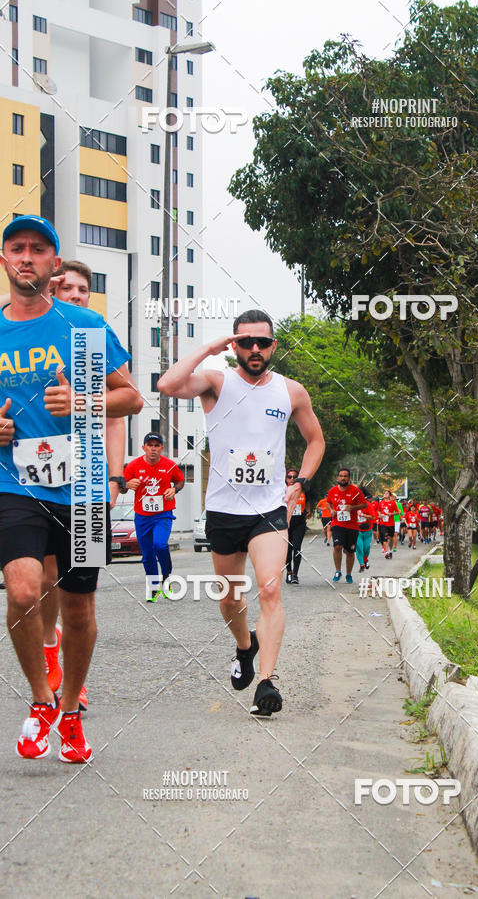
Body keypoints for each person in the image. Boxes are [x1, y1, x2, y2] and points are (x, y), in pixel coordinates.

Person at [0, 215, 142, 762]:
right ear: (7, 260)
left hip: (81, 489)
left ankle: (71, 710)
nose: (28, 257)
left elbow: (130, 399)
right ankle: (41, 699)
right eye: (18, 248)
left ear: (54, 265)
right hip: (15, 483)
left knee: (79, 610)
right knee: (22, 591)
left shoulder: (82, 327)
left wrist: (84, 403)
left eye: (39, 249)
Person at [158, 309, 325, 716]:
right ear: (234, 345)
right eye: (245, 341)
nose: (254, 349)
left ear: (273, 347)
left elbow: (315, 440)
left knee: (269, 589)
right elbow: (167, 384)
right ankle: (245, 646)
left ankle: (267, 683)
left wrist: (300, 482)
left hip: (268, 509)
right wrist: (212, 348)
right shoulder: (216, 382)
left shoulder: (291, 391)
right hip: (222, 510)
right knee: (231, 597)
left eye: (262, 342)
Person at [123, 434, 185, 601]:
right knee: (148, 555)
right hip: (142, 516)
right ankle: (153, 587)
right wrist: (127, 485)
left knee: (160, 544)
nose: (153, 448)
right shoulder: (134, 465)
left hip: (163, 514)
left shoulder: (169, 465)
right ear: (143, 447)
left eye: (157, 445)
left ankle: (166, 577)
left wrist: (174, 490)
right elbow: (121, 485)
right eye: (150, 445)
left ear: (161, 448)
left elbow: (180, 481)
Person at [326, 468, 367, 583]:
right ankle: (338, 571)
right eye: (341, 476)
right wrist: (331, 510)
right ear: (338, 478)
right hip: (337, 523)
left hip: (352, 526)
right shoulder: (333, 491)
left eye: (345, 476)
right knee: (337, 546)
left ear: (349, 478)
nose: (343, 478)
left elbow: (364, 504)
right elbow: (328, 502)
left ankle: (348, 574)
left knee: (350, 552)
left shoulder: (355, 491)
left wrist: (352, 508)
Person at [285, 468, 310, 584]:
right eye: (289, 477)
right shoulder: (282, 491)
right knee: (287, 549)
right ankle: (289, 573)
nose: (292, 479)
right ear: (285, 479)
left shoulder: (302, 490)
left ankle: (295, 574)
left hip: (299, 523)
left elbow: (308, 502)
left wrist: (308, 510)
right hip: (286, 524)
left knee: (297, 547)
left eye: (295, 477)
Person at [357, 492, 378, 573]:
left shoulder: (367, 504)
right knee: (359, 547)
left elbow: (373, 517)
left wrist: (363, 515)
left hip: (367, 529)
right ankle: (361, 565)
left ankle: (365, 560)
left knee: (366, 548)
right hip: (357, 530)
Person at [378, 489, 400, 559]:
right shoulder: (381, 502)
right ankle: (387, 552)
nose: (385, 494)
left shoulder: (393, 503)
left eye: (387, 493)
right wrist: (380, 514)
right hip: (383, 523)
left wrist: (391, 514)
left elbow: (398, 512)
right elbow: (378, 510)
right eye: (384, 493)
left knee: (391, 538)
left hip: (390, 523)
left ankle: (390, 551)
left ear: (390, 496)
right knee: (385, 537)